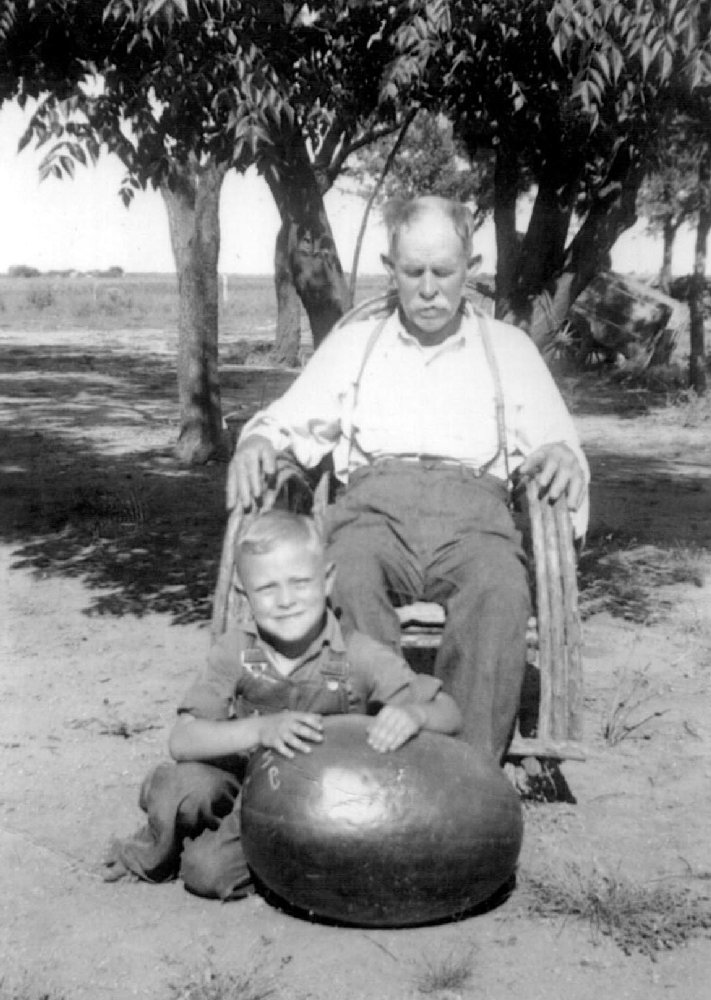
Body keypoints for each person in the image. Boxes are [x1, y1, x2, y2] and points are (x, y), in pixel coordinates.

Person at [227, 194, 590, 763]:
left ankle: (465, 779)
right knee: (342, 579)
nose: (428, 289)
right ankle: (367, 763)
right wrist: (255, 441)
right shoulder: (353, 347)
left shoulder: (509, 350)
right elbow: (285, 419)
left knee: (499, 592)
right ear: (389, 268)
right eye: (413, 271)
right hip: (373, 512)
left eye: (443, 272)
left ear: (469, 269)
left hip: (476, 519)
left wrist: (562, 457)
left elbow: (557, 443)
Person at [103, 509, 461, 900]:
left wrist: (414, 714)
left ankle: (236, 848)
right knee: (183, 787)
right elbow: (183, 740)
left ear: (327, 581)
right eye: (268, 588)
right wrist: (261, 729)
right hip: (239, 779)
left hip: (309, 802)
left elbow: (450, 712)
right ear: (244, 591)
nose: (287, 600)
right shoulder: (238, 651)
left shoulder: (358, 654)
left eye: (300, 583)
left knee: (207, 874)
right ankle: (158, 842)